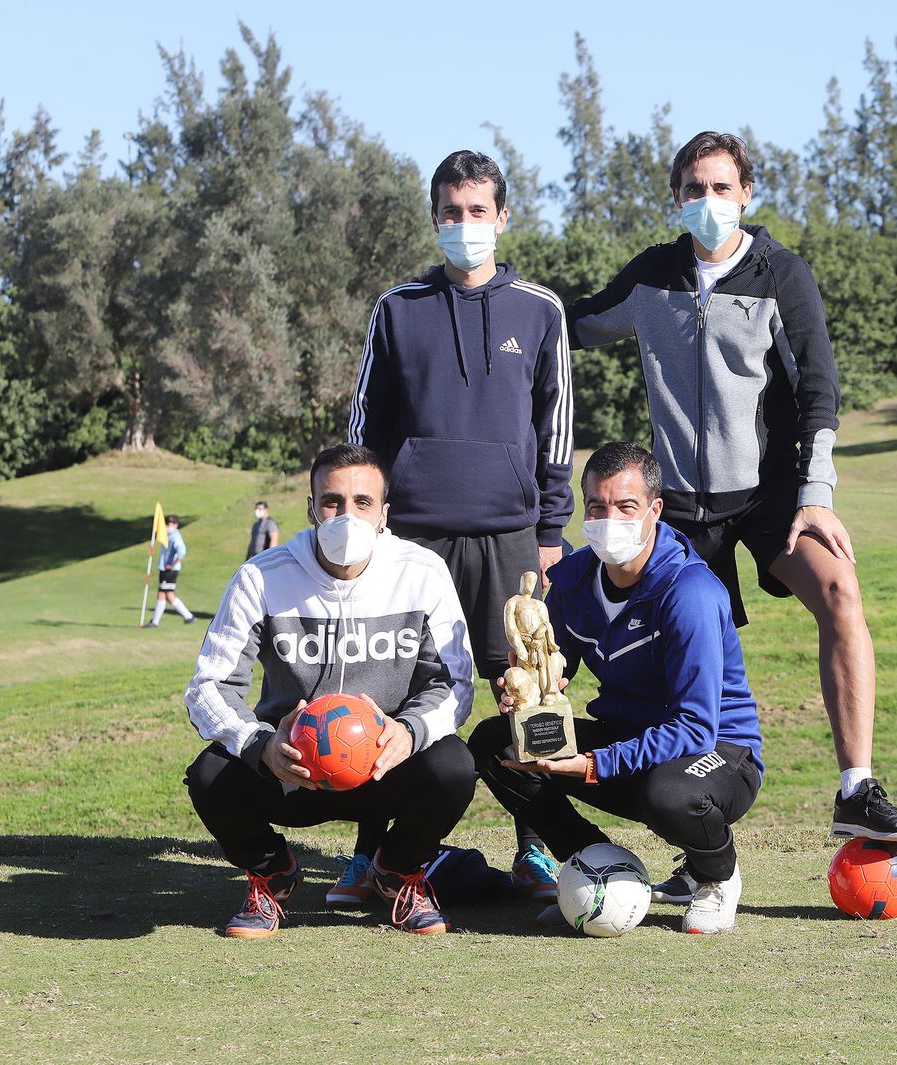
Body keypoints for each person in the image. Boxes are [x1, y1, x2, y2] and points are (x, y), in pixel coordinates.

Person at [566, 131, 897, 842]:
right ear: (676, 198)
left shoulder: (780, 272)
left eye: (721, 188)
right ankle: (692, 828)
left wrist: (815, 492)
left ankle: (856, 788)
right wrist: (500, 293)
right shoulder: (653, 278)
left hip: (768, 496)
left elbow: (820, 387)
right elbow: (573, 322)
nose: (708, 201)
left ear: (746, 194)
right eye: (694, 189)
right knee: (685, 662)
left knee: (840, 591)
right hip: (682, 513)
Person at [345, 148, 574, 903]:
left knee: (526, 691)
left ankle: (538, 847)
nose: (464, 225)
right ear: (434, 218)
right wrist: (364, 520)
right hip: (409, 536)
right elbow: (365, 431)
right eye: (451, 212)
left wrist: (550, 528)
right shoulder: (396, 308)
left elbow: (555, 429)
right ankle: (377, 855)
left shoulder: (540, 310)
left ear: (503, 218)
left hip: (510, 534)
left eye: (478, 212)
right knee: (393, 692)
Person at [183, 444, 477, 938]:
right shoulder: (261, 576)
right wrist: (260, 745)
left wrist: (409, 732)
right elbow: (208, 687)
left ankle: (398, 871)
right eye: (332, 502)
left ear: (384, 513)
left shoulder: (422, 571)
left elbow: (454, 682)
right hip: (294, 770)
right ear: (311, 509)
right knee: (210, 775)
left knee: (454, 767)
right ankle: (271, 875)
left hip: (386, 768)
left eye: (363, 502)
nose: (347, 515)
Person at [468, 443, 763, 934]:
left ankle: (715, 875)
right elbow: (555, 668)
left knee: (669, 793)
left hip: (718, 751)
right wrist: (526, 692)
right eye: (597, 507)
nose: (610, 520)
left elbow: (694, 726)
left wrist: (592, 765)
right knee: (497, 744)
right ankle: (601, 867)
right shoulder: (573, 579)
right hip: (629, 736)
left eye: (626, 507)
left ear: (655, 510)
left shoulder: (691, 592)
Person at [144, 515, 196, 627]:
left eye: (170, 524)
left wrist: (172, 564)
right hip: (165, 569)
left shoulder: (175, 537)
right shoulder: (168, 536)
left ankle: (157, 621)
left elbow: (182, 552)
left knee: (165, 594)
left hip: (170, 571)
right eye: (166, 524)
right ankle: (187, 617)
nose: (168, 526)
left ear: (176, 525)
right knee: (165, 595)